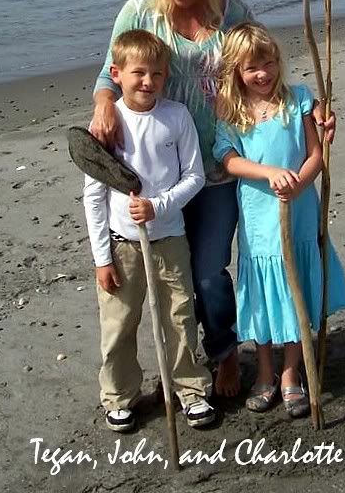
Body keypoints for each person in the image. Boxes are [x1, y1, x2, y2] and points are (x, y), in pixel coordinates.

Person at [90, 0, 336, 397]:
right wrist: (103, 105)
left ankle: (222, 352)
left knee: (208, 273)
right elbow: (110, 72)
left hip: (222, 169)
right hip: (158, 174)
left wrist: (312, 107)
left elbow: (261, 66)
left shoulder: (234, 12)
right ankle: (182, 365)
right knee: (171, 279)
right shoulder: (139, 12)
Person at [213, 22, 345, 417]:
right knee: (264, 293)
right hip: (260, 218)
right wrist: (269, 173)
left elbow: (315, 153)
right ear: (237, 71)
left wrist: (301, 182)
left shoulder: (299, 100)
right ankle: (265, 371)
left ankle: (292, 372)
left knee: (294, 291)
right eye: (253, 67)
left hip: (300, 213)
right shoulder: (232, 112)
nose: (264, 73)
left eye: (269, 62)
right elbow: (229, 159)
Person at [83, 29, 215, 431]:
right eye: (138, 73)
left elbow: (194, 177)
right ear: (116, 73)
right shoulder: (108, 124)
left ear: (166, 76)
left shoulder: (176, 116)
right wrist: (102, 258)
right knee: (120, 323)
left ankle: (189, 390)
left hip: (169, 238)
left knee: (179, 317)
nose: (147, 82)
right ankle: (119, 395)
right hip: (123, 245)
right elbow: (93, 196)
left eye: (156, 74)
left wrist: (158, 206)